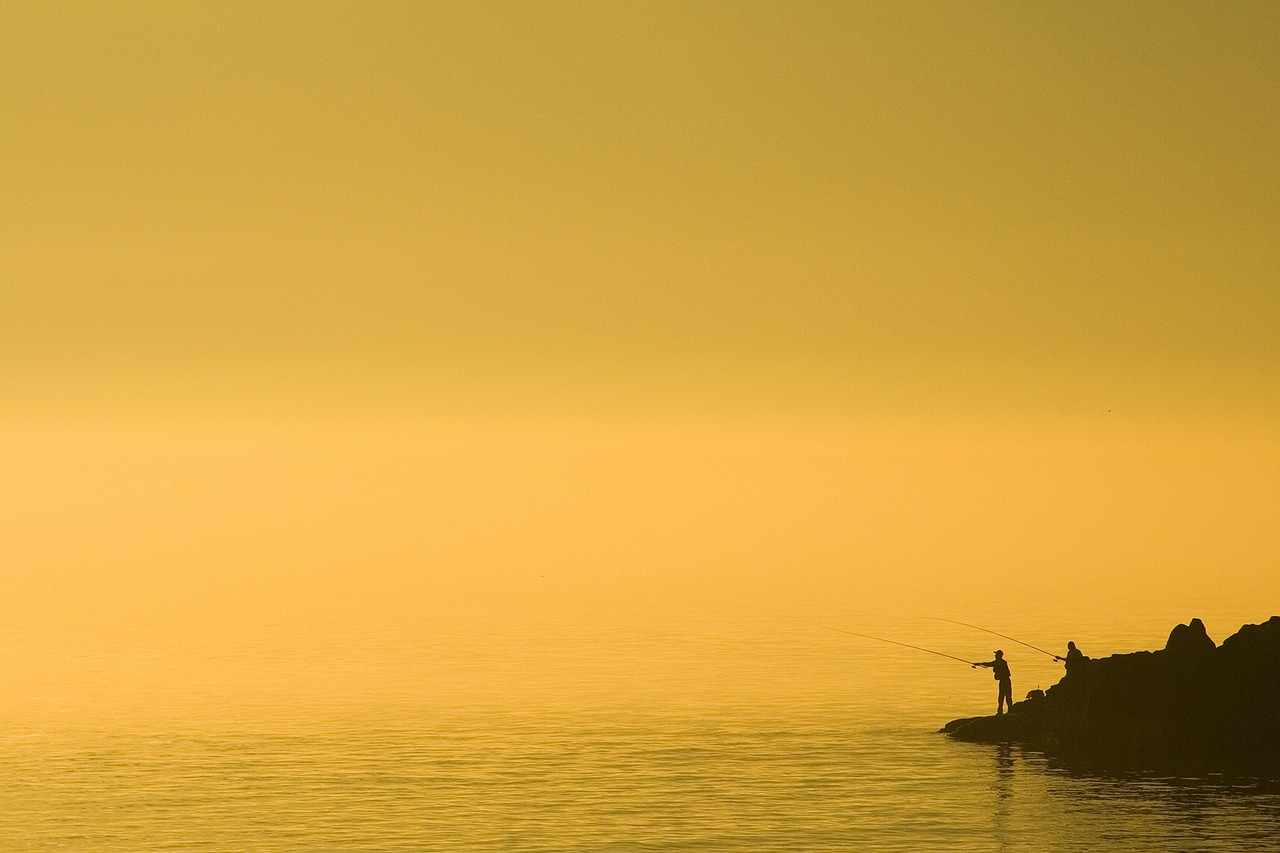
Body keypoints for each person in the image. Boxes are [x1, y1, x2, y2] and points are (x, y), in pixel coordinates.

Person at [973, 650, 1013, 715]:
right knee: (1001, 697)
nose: (995, 655)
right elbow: (988, 664)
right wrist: (978, 663)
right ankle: (1001, 711)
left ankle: (1008, 710)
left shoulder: (1002, 663)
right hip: (1003, 681)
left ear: (999, 656)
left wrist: (979, 663)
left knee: (1007, 696)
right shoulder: (998, 662)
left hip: (1005, 681)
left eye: (996, 654)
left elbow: (990, 664)